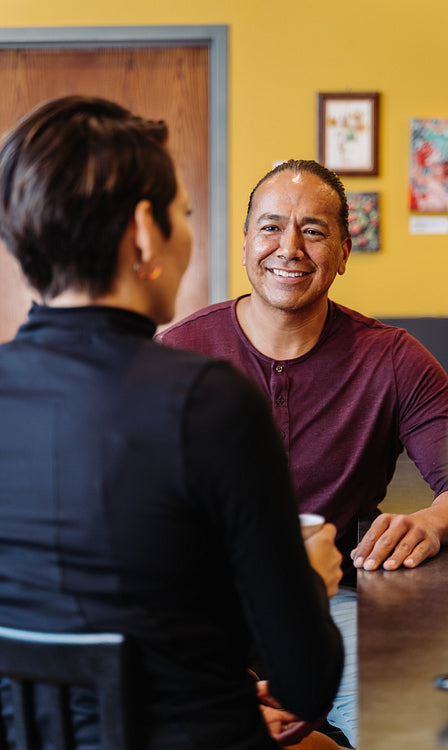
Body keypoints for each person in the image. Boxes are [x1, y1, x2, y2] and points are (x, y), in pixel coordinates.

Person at [0, 100, 345, 750]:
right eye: (185, 216)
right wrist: (308, 579)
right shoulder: (209, 401)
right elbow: (305, 684)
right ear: (143, 232)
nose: (189, 236)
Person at [155, 158, 448, 747]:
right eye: (271, 227)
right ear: (246, 243)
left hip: (333, 601)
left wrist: (432, 521)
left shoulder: (394, 360)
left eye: (314, 230)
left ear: (345, 251)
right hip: (195, 610)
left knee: (403, 732)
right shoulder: (175, 353)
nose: (289, 247)